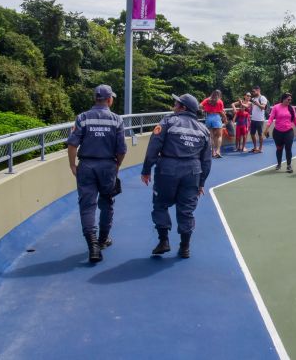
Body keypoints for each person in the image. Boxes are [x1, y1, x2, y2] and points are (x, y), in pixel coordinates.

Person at [141, 93, 211, 259]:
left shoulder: (168, 121)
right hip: (193, 171)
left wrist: (146, 170)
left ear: (183, 108)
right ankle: (185, 247)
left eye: (176, 103)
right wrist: (201, 182)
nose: (174, 105)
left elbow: (154, 146)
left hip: (168, 168)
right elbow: (206, 160)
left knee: (160, 204)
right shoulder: (204, 130)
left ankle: (163, 241)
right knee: (186, 209)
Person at [66, 84, 127, 263]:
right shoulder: (117, 120)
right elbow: (121, 149)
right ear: (109, 100)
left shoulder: (82, 118)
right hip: (107, 166)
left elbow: (72, 144)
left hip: (86, 166)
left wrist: (72, 165)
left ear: (95, 99)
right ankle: (102, 240)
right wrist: (116, 167)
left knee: (87, 205)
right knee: (107, 202)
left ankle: (92, 245)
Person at [265, 92, 296, 172]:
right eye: (288, 99)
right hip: (278, 132)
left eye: (290, 100)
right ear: (284, 99)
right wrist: (266, 128)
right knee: (279, 148)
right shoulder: (276, 107)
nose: (289, 101)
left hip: (288, 131)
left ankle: (289, 165)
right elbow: (271, 118)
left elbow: (295, 119)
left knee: (288, 148)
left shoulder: (291, 108)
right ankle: (279, 164)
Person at [201, 89, 225, 158]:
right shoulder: (220, 101)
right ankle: (218, 151)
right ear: (219, 95)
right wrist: (225, 118)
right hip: (216, 117)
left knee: (211, 137)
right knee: (219, 136)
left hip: (208, 117)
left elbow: (200, 106)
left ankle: (212, 152)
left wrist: (204, 109)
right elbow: (221, 112)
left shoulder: (207, 100)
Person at [248, 85, 268, 153]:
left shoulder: (262, 98)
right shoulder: (253, 99)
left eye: (254, 91)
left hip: (260, 120)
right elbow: (250, 106)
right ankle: (255, 147)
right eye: (252, 91)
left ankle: (260, 149)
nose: (252, 93)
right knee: (252, 133)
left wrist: (257, 104)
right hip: (253, 119)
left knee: (260, 134)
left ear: (258, 90)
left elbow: (263, 107)